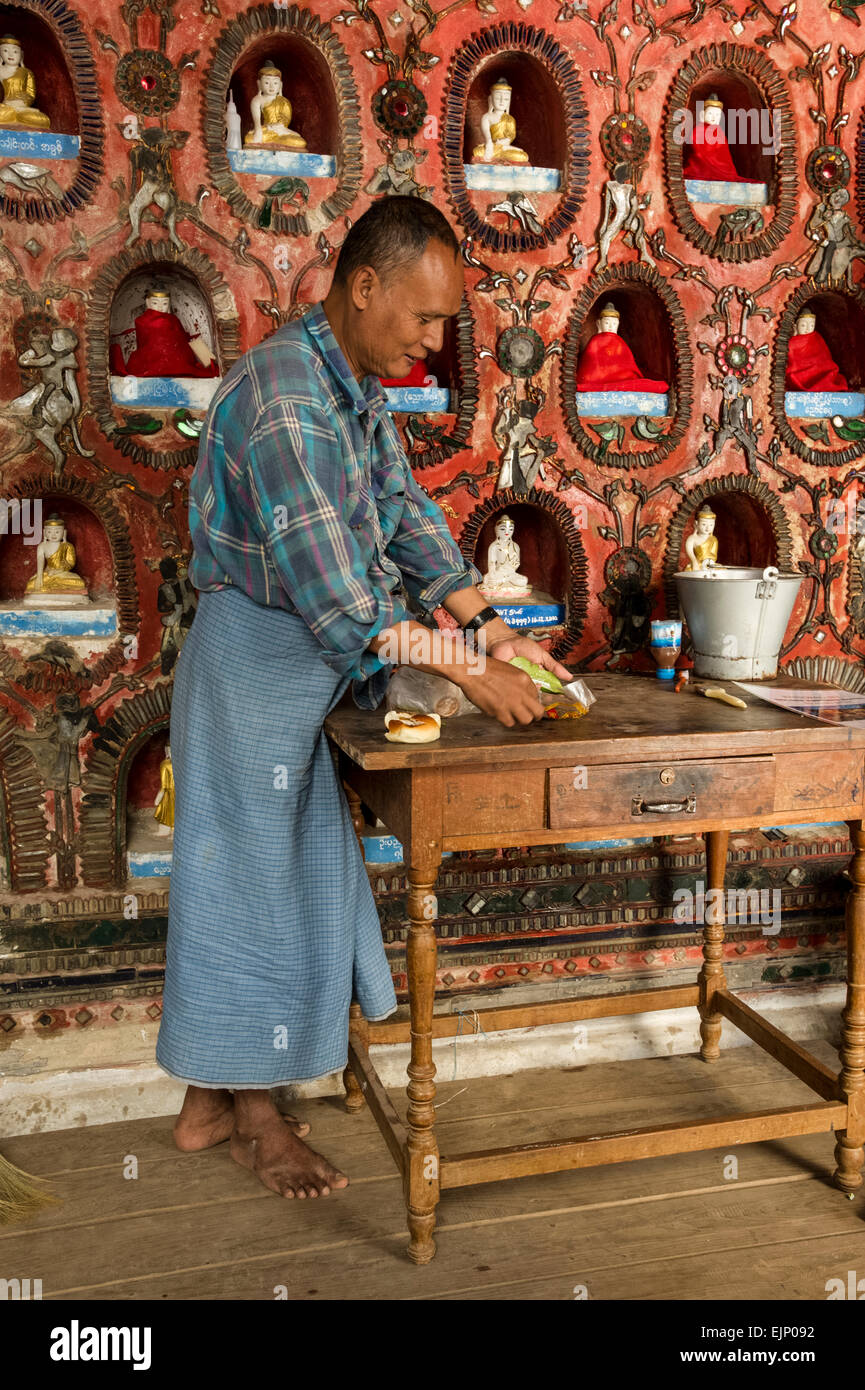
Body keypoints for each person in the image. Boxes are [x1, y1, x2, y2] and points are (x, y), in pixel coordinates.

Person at [156, 196, 570, 1200]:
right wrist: (471, 672)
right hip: (255, 665)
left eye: (445, 327)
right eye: (424, 320)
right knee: (255, 888)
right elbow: (345, 602)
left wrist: (489, 628)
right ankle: (258, 1118)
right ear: (364, 286)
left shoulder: (346, 384)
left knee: (291, 872)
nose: (433, 344)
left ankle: (207, 1106)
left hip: (306, 665)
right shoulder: (286, 404)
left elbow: (404, 516)